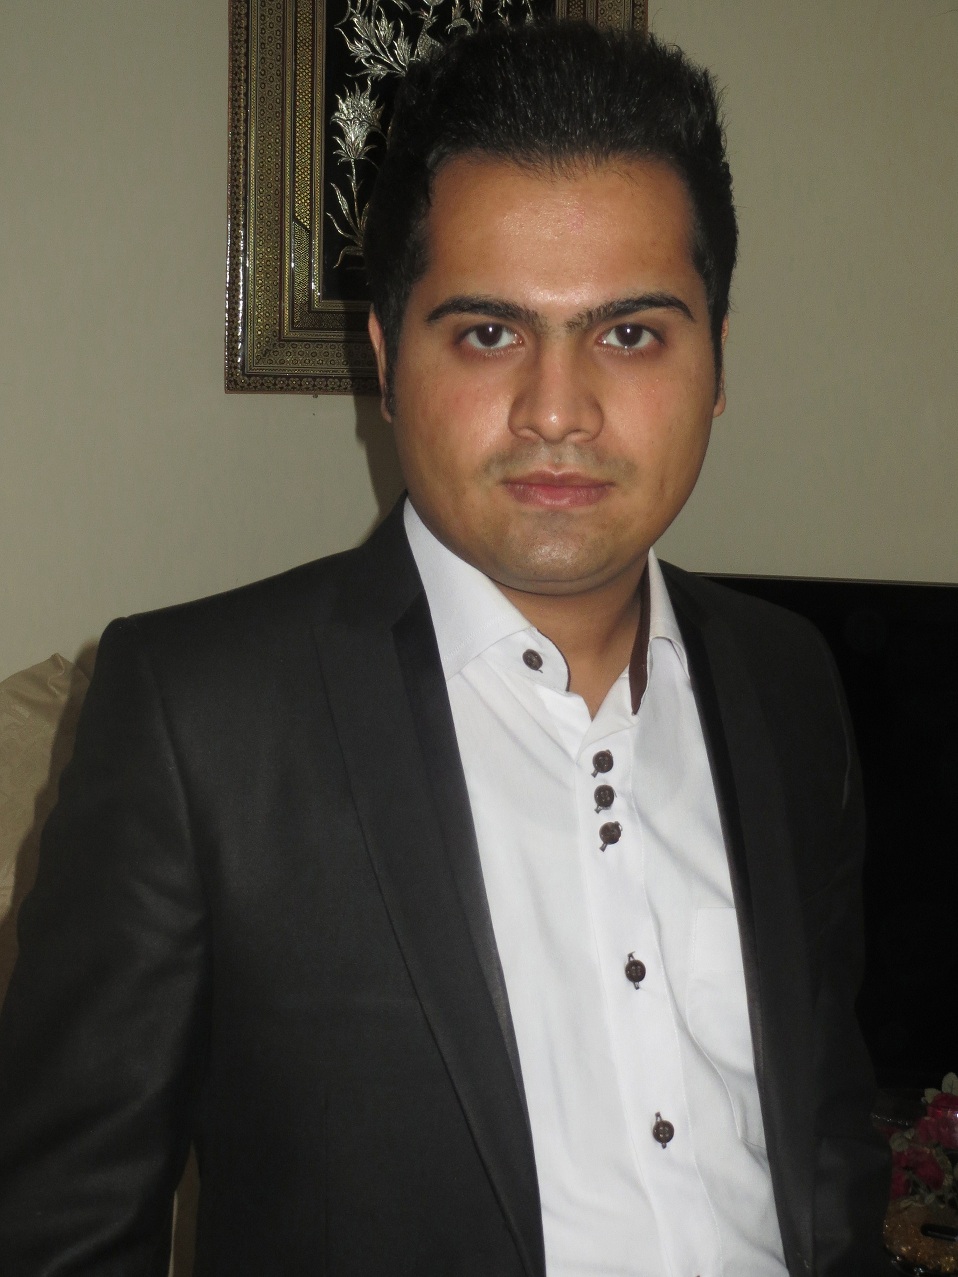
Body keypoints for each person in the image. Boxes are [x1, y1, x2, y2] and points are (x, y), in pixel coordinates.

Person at [0, 21, 892, 1277]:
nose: (557, 410)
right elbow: (62, 1232)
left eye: (630, 333)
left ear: (716, 362)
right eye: (487, 333)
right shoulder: (198, 721)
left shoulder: (787, 682)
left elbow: (824, 1134)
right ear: (385, 357)